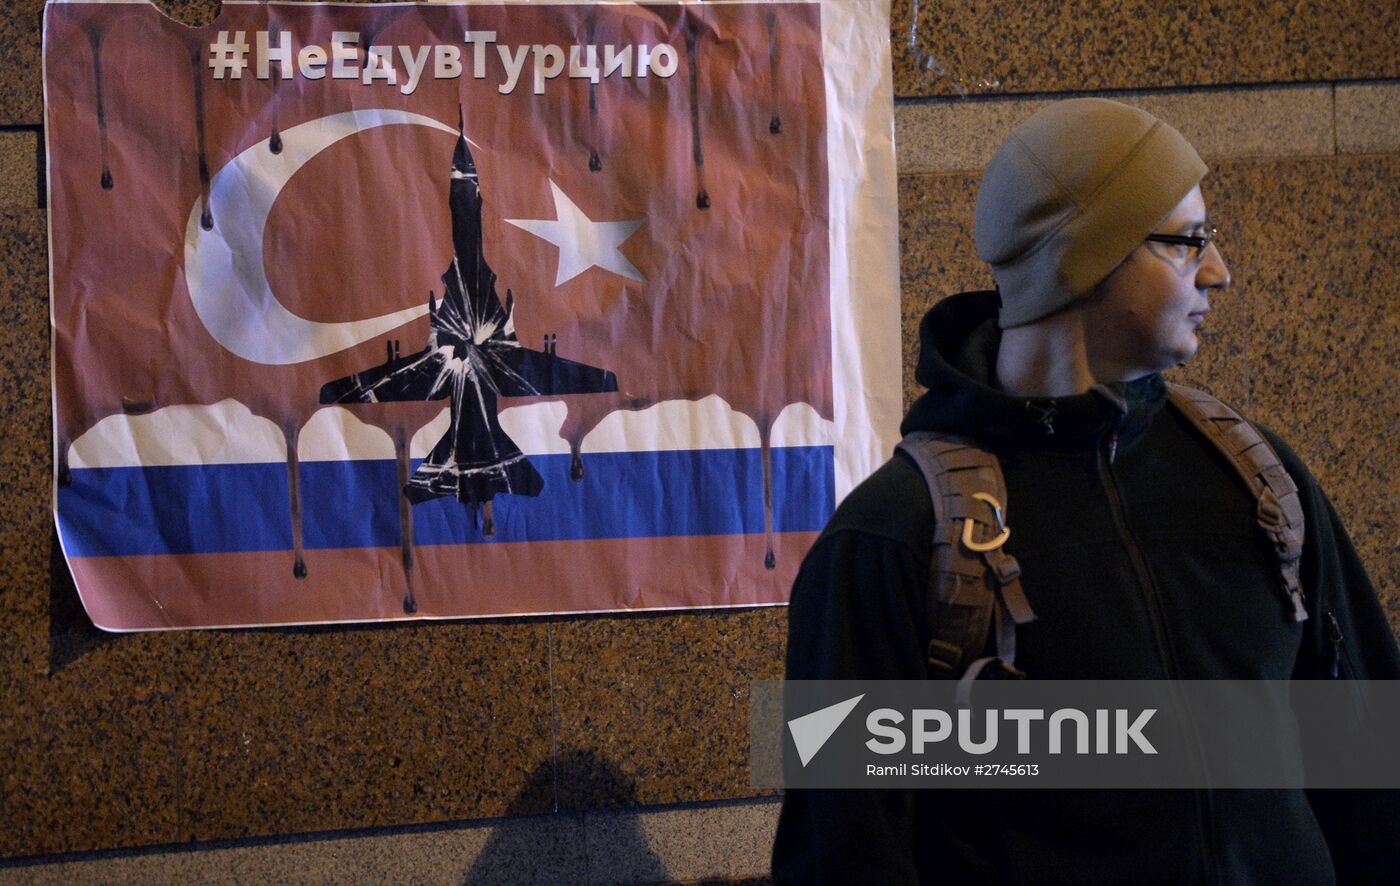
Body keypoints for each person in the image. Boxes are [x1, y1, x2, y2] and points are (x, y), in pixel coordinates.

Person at [771, 98, 1400, 884]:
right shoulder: (891, 537)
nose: (1218, 271)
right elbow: (844, 853)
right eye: (1186, 242)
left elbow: (1373, 767)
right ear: (1084, 256)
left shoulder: (1256, 477)